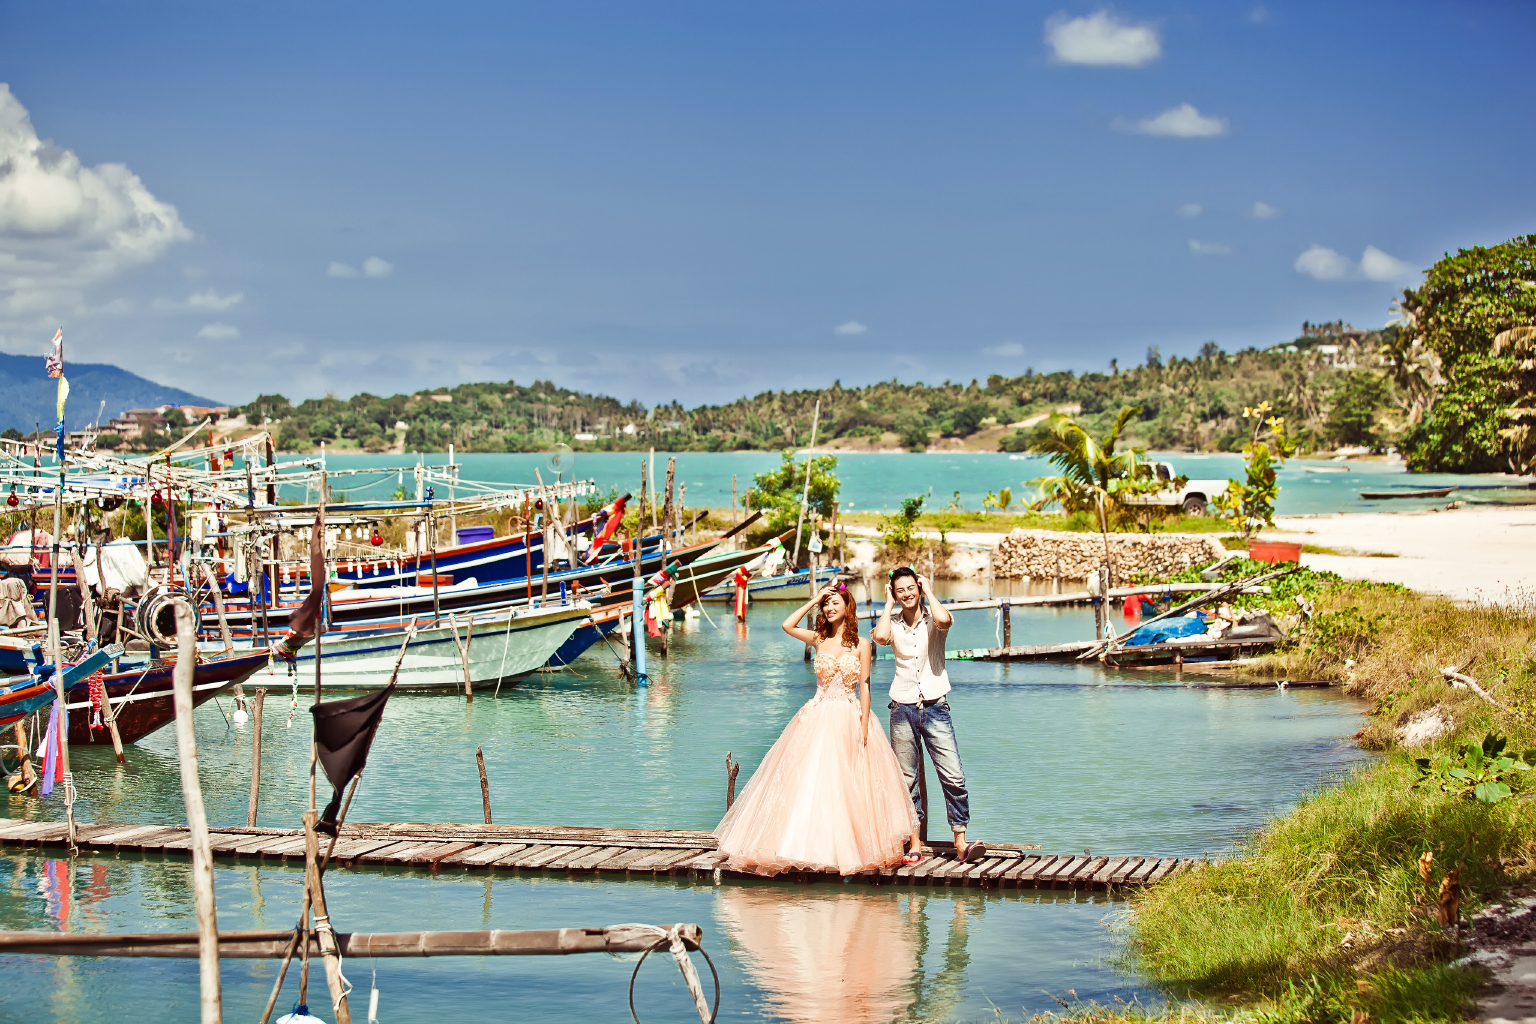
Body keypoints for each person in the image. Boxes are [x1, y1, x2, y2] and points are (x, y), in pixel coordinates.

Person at [714, 581, 919, 876]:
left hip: (850, 715)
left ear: (848, 607)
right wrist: (813, 599)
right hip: (816, 716)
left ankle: (848, 851)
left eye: (835, 602)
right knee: (810, 783)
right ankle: (802, 848)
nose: (830, 607)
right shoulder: (818, 639)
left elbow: (864, 686)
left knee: (850, 786)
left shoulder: (862, 644)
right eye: (827, 604)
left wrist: (863, 727)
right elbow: (787, 625)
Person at [872, 567, 984, 864]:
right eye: (900, 590)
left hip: (935, 706)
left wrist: (929, 590)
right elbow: (880, 637)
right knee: (907, 780)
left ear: (919, 588)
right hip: (902, 708)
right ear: (894, 593)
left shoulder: (934, 619)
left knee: (953, 775)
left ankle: (960, 841)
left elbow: (945, 619)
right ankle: (915, 843)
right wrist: (886, 605)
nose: (906, 594)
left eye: (911, 588)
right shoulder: (892, 624)